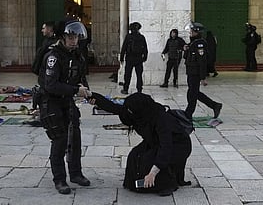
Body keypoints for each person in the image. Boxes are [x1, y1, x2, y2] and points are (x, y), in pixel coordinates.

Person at [89, 92, 192, 196]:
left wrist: (153, 173)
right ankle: (137, 183)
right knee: (135, 155)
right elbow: (112, 107)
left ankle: (167, 184)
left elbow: (166, 147)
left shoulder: (161, 118)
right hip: (154, 141)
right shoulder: (137, 113)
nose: (128, 112)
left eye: (130, 111)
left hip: (178, 146)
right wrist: (91, 95)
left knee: (150, 160)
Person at [38, 18, 91, 194]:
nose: (73, 40)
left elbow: (81, 78)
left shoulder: (77, 55)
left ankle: (76, 173)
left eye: (76, 37)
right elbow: (51, 85)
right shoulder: (53, 56)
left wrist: (87, 92)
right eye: (70, 37)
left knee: (75, 137)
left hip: (67, 101)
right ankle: (59, 179)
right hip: (51, 102)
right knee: (59, 140)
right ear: (62, 37)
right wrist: (76, 90)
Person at [183, 22, 222, 119]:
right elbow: (186, 58)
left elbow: (202, 62)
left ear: (197, 32)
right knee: (193, 92)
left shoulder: (200, 44)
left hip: (196, 73)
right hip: (190, 72)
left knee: (192, 94)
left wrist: (203, 78)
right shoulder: (192, 43)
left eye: (192, 31)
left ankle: (188, 114)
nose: (190, 33)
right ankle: (215, 105)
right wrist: (186, 49)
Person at [120, 22, 148, 94]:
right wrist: (144, 57)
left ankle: (126, 89)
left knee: (127, 75)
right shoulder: (141, 37)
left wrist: (121, 58)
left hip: (130, 58)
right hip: (139, 59)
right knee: (139, 75)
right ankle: (139, 90)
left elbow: (124, 47)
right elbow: (145, 49)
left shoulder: (128, 37)